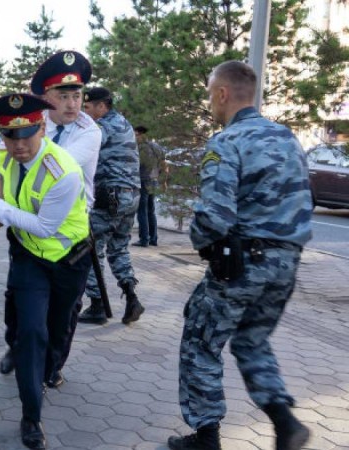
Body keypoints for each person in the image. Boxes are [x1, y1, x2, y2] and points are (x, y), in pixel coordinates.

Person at [167, 61, 313, 450]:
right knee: (252, 341)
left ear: (222, 94)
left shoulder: (227, 141)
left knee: (200, 340)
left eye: (210, 93)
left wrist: (201, 241)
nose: (209, 101)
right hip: (287, 263)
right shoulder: (287, 137)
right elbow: (303, 201)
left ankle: (206, 436)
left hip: (242, 264)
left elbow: (215, 216)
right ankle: (285, 423)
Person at [0, 94, 93, 450]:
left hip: (68, 261)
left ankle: (48, 371)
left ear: (42, 128)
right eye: (10, 136)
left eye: (27, 134)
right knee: (30, 332)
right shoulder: (4, 155)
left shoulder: (63, 172)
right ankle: (31, 415)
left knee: (57, 331)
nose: (19, 145)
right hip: (29, 257)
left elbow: (44, 227)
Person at [0, 50, 102, 386]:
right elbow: (5, 151)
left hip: (65, 236)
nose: (73, 105)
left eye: (77, 96)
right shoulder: (30, 121)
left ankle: (51, 367)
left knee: (63, 311)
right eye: (63, 96)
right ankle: (17, 346)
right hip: (24, 227)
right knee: (17, 299)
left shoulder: (89, 132)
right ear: (46, 98)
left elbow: (49, 165)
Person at [78, 87, 144, 326]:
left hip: (109, 196)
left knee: (91, 249)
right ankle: (131, 297)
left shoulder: (101, 128)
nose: (85, 112)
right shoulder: (124, 123)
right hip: (130, 195)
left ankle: (97, 305)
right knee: (119, 248)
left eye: (88, 107)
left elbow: (82, 155)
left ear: (101, 106)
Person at [133, 126, 165, 247]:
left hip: (142, 181)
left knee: (142, 211)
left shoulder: (140, 148)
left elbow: (136, 165)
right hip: (153, 181)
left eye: (135, 135)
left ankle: (144, 239)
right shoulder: (157, 146)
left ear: (140, 134)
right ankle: (153, 238)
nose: (134, 137)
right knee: (151, 211)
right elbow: (163, 164)